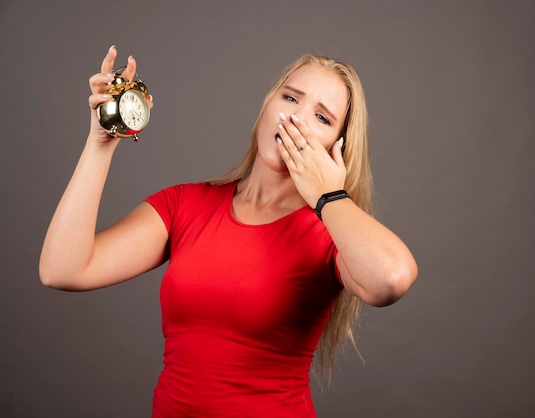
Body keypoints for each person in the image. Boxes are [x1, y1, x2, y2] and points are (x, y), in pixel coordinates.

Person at [39, 45, 418, 417]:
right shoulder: (184, 205)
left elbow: (391, 279)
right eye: (290, 98)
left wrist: (329, 195)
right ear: (267, 107)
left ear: (338, 146)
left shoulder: (331, 235)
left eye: (322, 118)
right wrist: (100, 142)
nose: (296, 120)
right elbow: (63, 269)